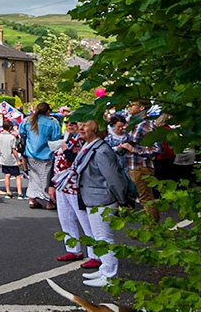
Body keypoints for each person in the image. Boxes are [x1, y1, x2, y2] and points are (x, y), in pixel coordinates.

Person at [72, 116, 129, 287]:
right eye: (80, 124)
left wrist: (122, 200)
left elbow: (113, 178)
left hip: (102, 200)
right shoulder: (90, 147)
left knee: (104, 238)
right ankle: (105, 269)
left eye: (85, 125)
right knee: (99, 237)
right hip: (94, 198)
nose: (81, 128)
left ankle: (109, 276)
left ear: (97, 128)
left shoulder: (101, 150)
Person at [51, 119, 99, 270]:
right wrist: (50, 185)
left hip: (75, 186)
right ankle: (73, 248)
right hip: (61, 185)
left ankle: (95, 254)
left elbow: (76, 161)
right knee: (65, 219)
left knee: (85, 220)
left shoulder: (82, 142)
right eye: (68, 123)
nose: (71, 125)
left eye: (74, 123)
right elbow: (55, 162)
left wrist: (66, 150)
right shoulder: (66, 138)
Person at [118, 99, 163, 223]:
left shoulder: (146, 125)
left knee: (145, 198)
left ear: (142, 108)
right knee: (141, 196)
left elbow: (158, 148)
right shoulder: (132, 123)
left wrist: (134, 150)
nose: (130, 107)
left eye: (132, 105)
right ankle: (151, 225)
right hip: (131, 165)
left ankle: (152, 227)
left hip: (141, 165)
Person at [19, 102, 64, 209]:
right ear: (48, 111)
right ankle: (48, 201)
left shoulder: (28, 121)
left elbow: (22, 133)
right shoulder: (52, 123)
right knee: (46, 178)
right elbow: (55, 138)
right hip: (45, 153)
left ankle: (32, 199)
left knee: (33, 177)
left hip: (30, 153)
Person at [0, 119, 24, 198]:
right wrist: (18, 160)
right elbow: (14, 149)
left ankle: (8, 192)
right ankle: (20, 193)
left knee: (7, 175)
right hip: (12, 159)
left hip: (3, 158)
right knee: (17, 175)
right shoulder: (11, 138)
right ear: (10, 128)